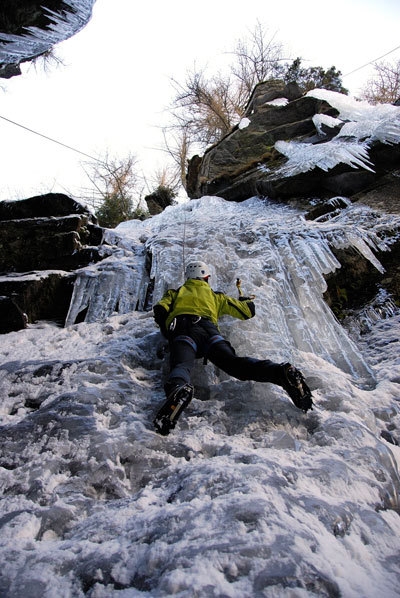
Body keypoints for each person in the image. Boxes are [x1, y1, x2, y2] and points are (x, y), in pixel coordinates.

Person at [153, 260, 313, 435]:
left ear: (188, 277)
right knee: (235, 364)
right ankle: (280, 372)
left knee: (182, 366)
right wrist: (245, 300)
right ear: (206, 278)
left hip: (185, 330)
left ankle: (178, 391)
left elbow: (160, 310)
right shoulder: (216, 296)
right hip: (210, 332)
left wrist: (167, 330)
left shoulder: (175, 292)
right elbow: (247, 312)